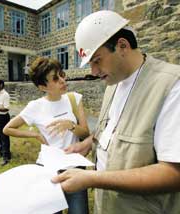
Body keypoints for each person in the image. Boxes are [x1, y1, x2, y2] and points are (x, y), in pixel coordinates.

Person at [52, 10, 180, 214]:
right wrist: (88, 143)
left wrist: (92, 178)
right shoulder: (113, 83)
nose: (93, 72)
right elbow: (113, 131)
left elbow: (173, 173)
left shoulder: (171, 86)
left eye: (97, 60)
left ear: (122, 46)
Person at [3, 57, 90, 214]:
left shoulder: (74, 99)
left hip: (75, 168)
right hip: (48, 170)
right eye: (56, 79)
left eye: (61, 74)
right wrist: (35, 135)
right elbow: (7, 129)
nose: (63, 80)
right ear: (43, 87)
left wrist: (70, 126)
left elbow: (86, 133)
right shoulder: (35, 107)